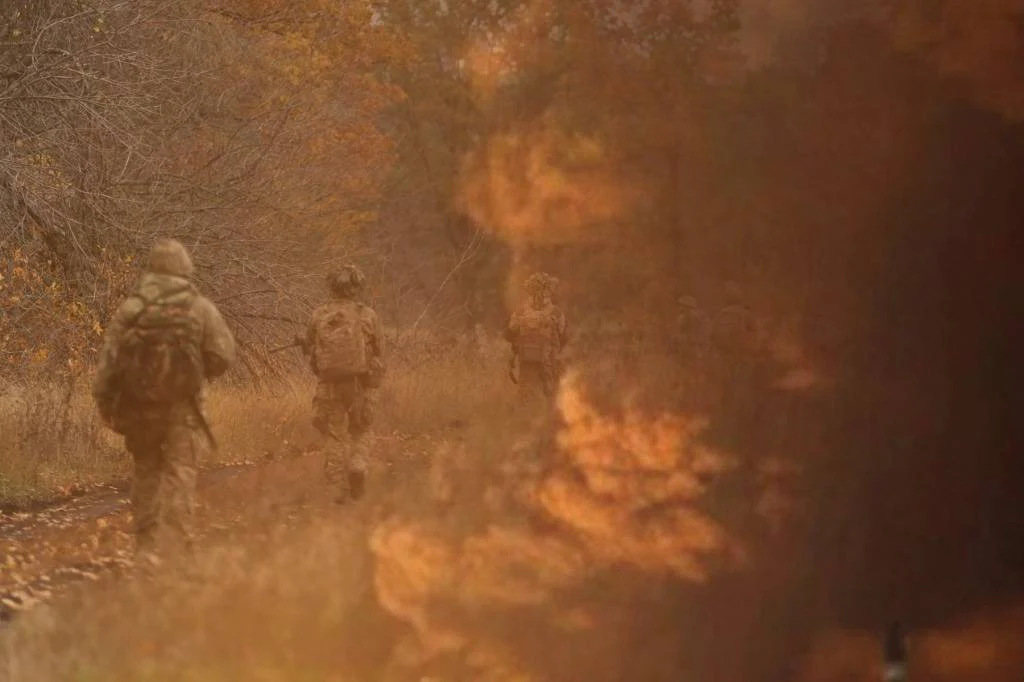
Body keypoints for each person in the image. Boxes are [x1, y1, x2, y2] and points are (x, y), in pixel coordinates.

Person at [92, 238, 235, 566]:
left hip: (141, 408)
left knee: (146, 471)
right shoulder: (199, 307)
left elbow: (108, 363)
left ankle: (145, 549)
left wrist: (106, 403)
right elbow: (223, 355)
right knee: (180, 471)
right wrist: (199, 373)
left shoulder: (133, 308)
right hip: (185, 408)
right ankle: (178, 547)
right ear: (185, 267)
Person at [302, 264, 384, 503]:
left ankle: (336, 489)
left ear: (331, 286)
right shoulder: (368, 315)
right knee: (362, 430)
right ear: (357, 287)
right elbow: (379, 352)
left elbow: (311, 352)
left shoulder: (319, 315)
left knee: (334, 436)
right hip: (360, 384)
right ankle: (358, 464)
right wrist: (371, 385)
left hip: (328, 386)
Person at [505, 272, 568, 400]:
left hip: (527, 359)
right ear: (549, 291)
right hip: (549, 360)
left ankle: (524, 417)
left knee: (525, 396)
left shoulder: (520, 311)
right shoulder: (556, 312)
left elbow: (510, 333)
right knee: (552, 397)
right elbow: (563, 336)